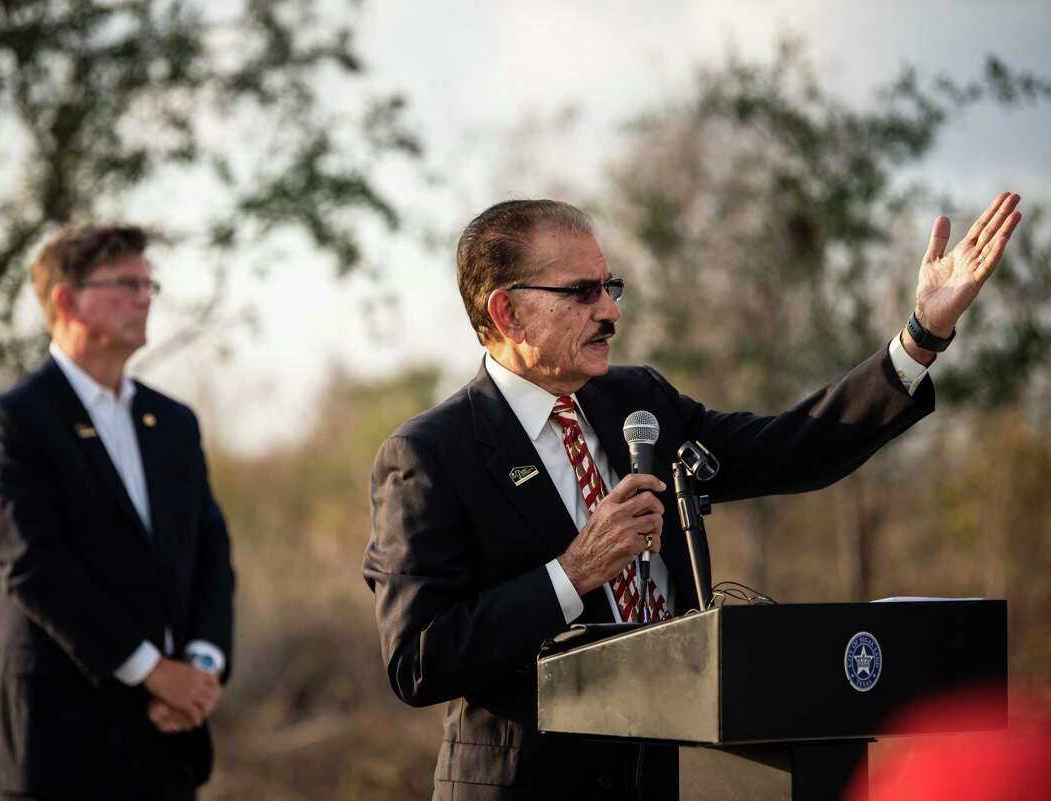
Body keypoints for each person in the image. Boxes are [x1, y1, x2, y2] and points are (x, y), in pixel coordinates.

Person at [363, 195, 1021, 800]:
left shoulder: (638, 401)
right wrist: (572, 573)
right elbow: (418, 657)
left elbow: (792, 448)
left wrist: (920, 339)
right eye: (582, 292)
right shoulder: (429, 455)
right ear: (507, 310)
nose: (611, 310)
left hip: (675, 775)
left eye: (610, 286)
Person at [0, 224, 236, 801]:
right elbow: (31, 565)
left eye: (147, 283)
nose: (144, 298)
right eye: (125, 285)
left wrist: (200, 668)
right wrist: (154, 673)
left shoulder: (173, 422)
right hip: (56, 745)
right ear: (65, 299)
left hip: (166, 738)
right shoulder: (10, 423)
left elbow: (210, 549)